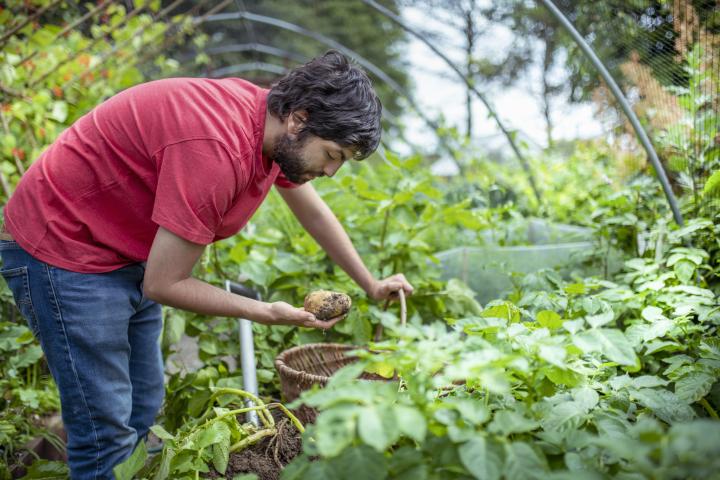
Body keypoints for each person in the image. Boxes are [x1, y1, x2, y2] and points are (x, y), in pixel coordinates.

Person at [0, 50, 413, 479]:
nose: (331, 170)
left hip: (124, 252)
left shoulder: (270, 129)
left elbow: (313, 213)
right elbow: (166, 283)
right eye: (333, 154)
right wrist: (265, 313)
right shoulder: (218, 149)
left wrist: (370, 282)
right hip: (64, 250)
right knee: (104, 431)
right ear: (300, 119)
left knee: (142, 404)